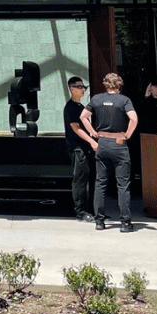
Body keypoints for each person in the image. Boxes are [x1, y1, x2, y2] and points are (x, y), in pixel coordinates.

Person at [81, 72, 137, 232]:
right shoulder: (124, 100)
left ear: (105, 84)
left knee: (100, 182)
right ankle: (125, 222)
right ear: (120, 84)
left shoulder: (97, 99)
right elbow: (134, 118)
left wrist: (93, 132)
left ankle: (99, 221)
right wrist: (127, 135)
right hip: (118, 143)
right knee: (123, 184)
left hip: (102, 142)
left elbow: (83, 116)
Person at [62, 76, 95, 221]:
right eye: (79, 87)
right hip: (77, 148)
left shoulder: (81, 107)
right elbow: (76, 128)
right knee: (80, 179)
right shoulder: (70, 107)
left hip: (85, 147)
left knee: (89, 177)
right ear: (71, 88)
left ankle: (91, 209)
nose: (83, 89)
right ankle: (80, 211)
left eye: (84, 87)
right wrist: (91, 141)